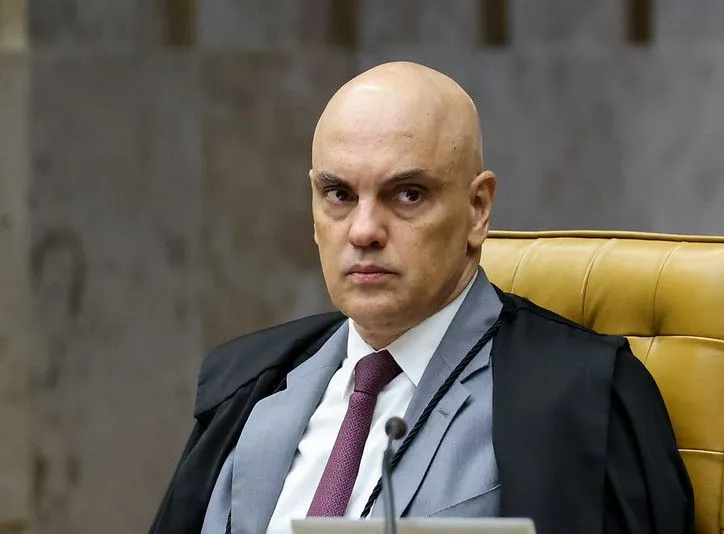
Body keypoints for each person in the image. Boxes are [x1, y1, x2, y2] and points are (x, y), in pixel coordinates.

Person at [150, 61, 693, 534]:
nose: (364, 230)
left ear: (477, 209)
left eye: (408, 194)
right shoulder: (246, 387)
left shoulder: (586, 396)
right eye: (339, 194)